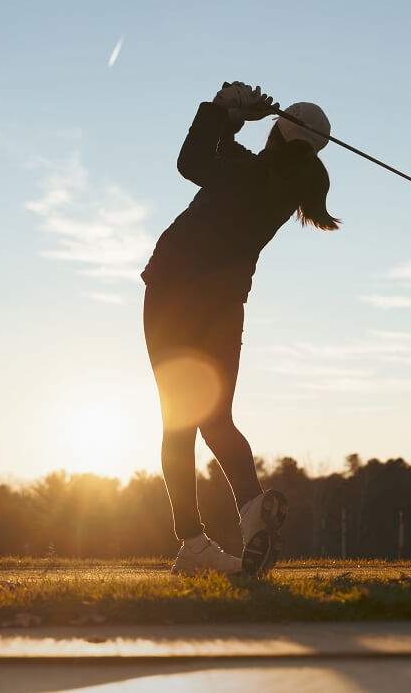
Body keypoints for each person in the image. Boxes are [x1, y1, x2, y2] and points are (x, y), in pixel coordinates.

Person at [141, 82, 337, 576]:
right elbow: (223, 157)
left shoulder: (247, 172)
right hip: (225, 306)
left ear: (278, 131)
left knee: (177, 424)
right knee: (216, 421)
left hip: (173, 294)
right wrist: (231, 119)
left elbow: (193, 161)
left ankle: (193, 544)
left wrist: (224, 109)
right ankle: (253, 513)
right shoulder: (285, 182)